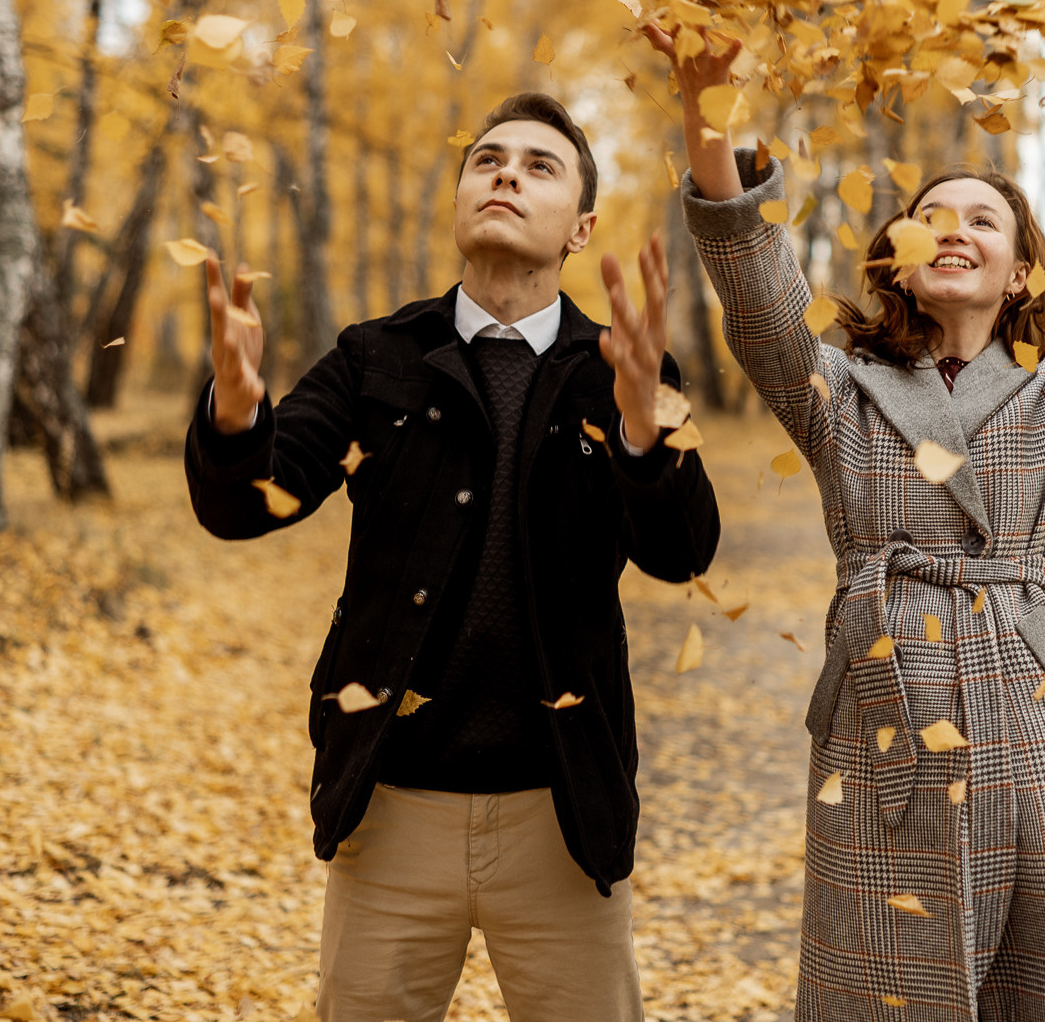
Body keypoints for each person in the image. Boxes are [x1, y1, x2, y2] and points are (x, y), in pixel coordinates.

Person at [651, 21, 1045, 1019]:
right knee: (889, 985)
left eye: (983, 220)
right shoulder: (837, 393)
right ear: (892, 259)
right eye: (927, 214)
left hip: (1032, 715)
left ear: (1019, 272)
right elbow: (758, 303)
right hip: (884, 718)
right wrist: (705, 116)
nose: (951, 227)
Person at [183, 91, 721, 1022]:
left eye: (540, 165)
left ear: (581, 227)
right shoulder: (376, 357)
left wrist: (642, 428)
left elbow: (681, 552)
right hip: (391, 809)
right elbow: (247, 504)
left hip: (564, 816)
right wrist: (236, 411)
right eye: (487, 159)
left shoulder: (620, 368)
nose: (506, 172)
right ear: (462, 195)